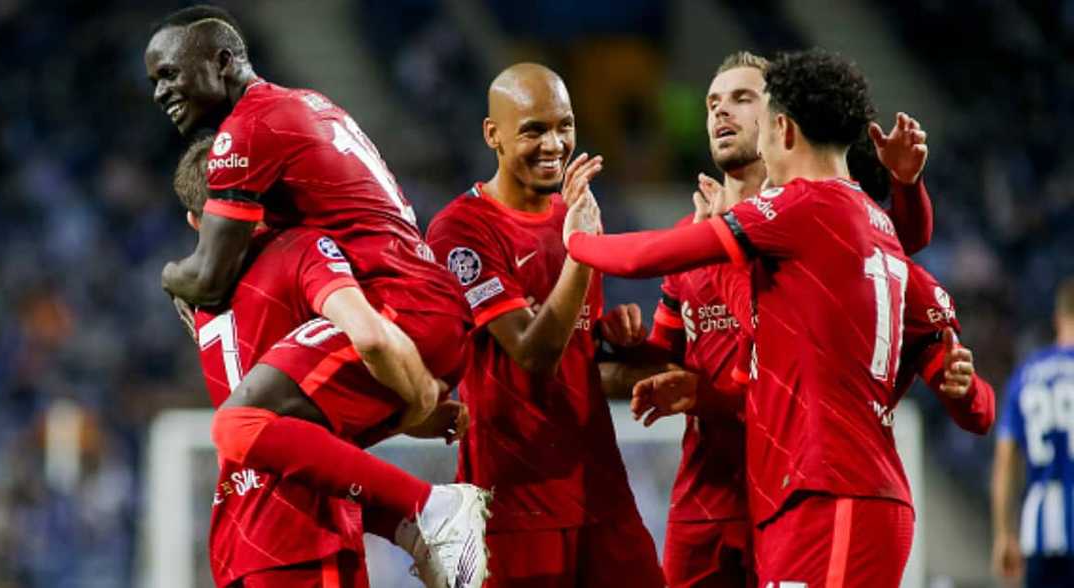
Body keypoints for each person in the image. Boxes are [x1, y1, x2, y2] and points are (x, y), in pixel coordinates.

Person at [564, 49, 924, 586]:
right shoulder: (849, 217)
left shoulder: (802, 211)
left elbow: (645, 258)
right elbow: (677, 352)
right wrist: (632, 346)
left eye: (743, 98)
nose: (721, 112)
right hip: (737, 495)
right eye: (713, 102)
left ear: (780, 123)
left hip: (821, 480)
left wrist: (577, 241)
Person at [170, 136, 482, 588]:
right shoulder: (299, 248)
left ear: (195, 221)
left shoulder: (202, 306)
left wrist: (399, 421)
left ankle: (414, 522)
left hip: (239, 538)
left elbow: (297, 422)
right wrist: (416, 399)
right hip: (307, 535)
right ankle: (430, 508)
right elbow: (367, 338)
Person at [425, 62, 663, 587]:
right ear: (493, 134)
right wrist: (581, 251)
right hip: (515, 507)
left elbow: (575, 362)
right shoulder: (461, 230)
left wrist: (616, 344)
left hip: (601, 492)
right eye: (533, 130)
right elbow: (534, 354)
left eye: (564, 126)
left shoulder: (570, 216)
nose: (554, 144)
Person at [993, 277, 1074, 587]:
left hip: (1039, 529)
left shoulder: (1026, 375)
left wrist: (1004, 534)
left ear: (1058, 318)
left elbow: (1006, 460)